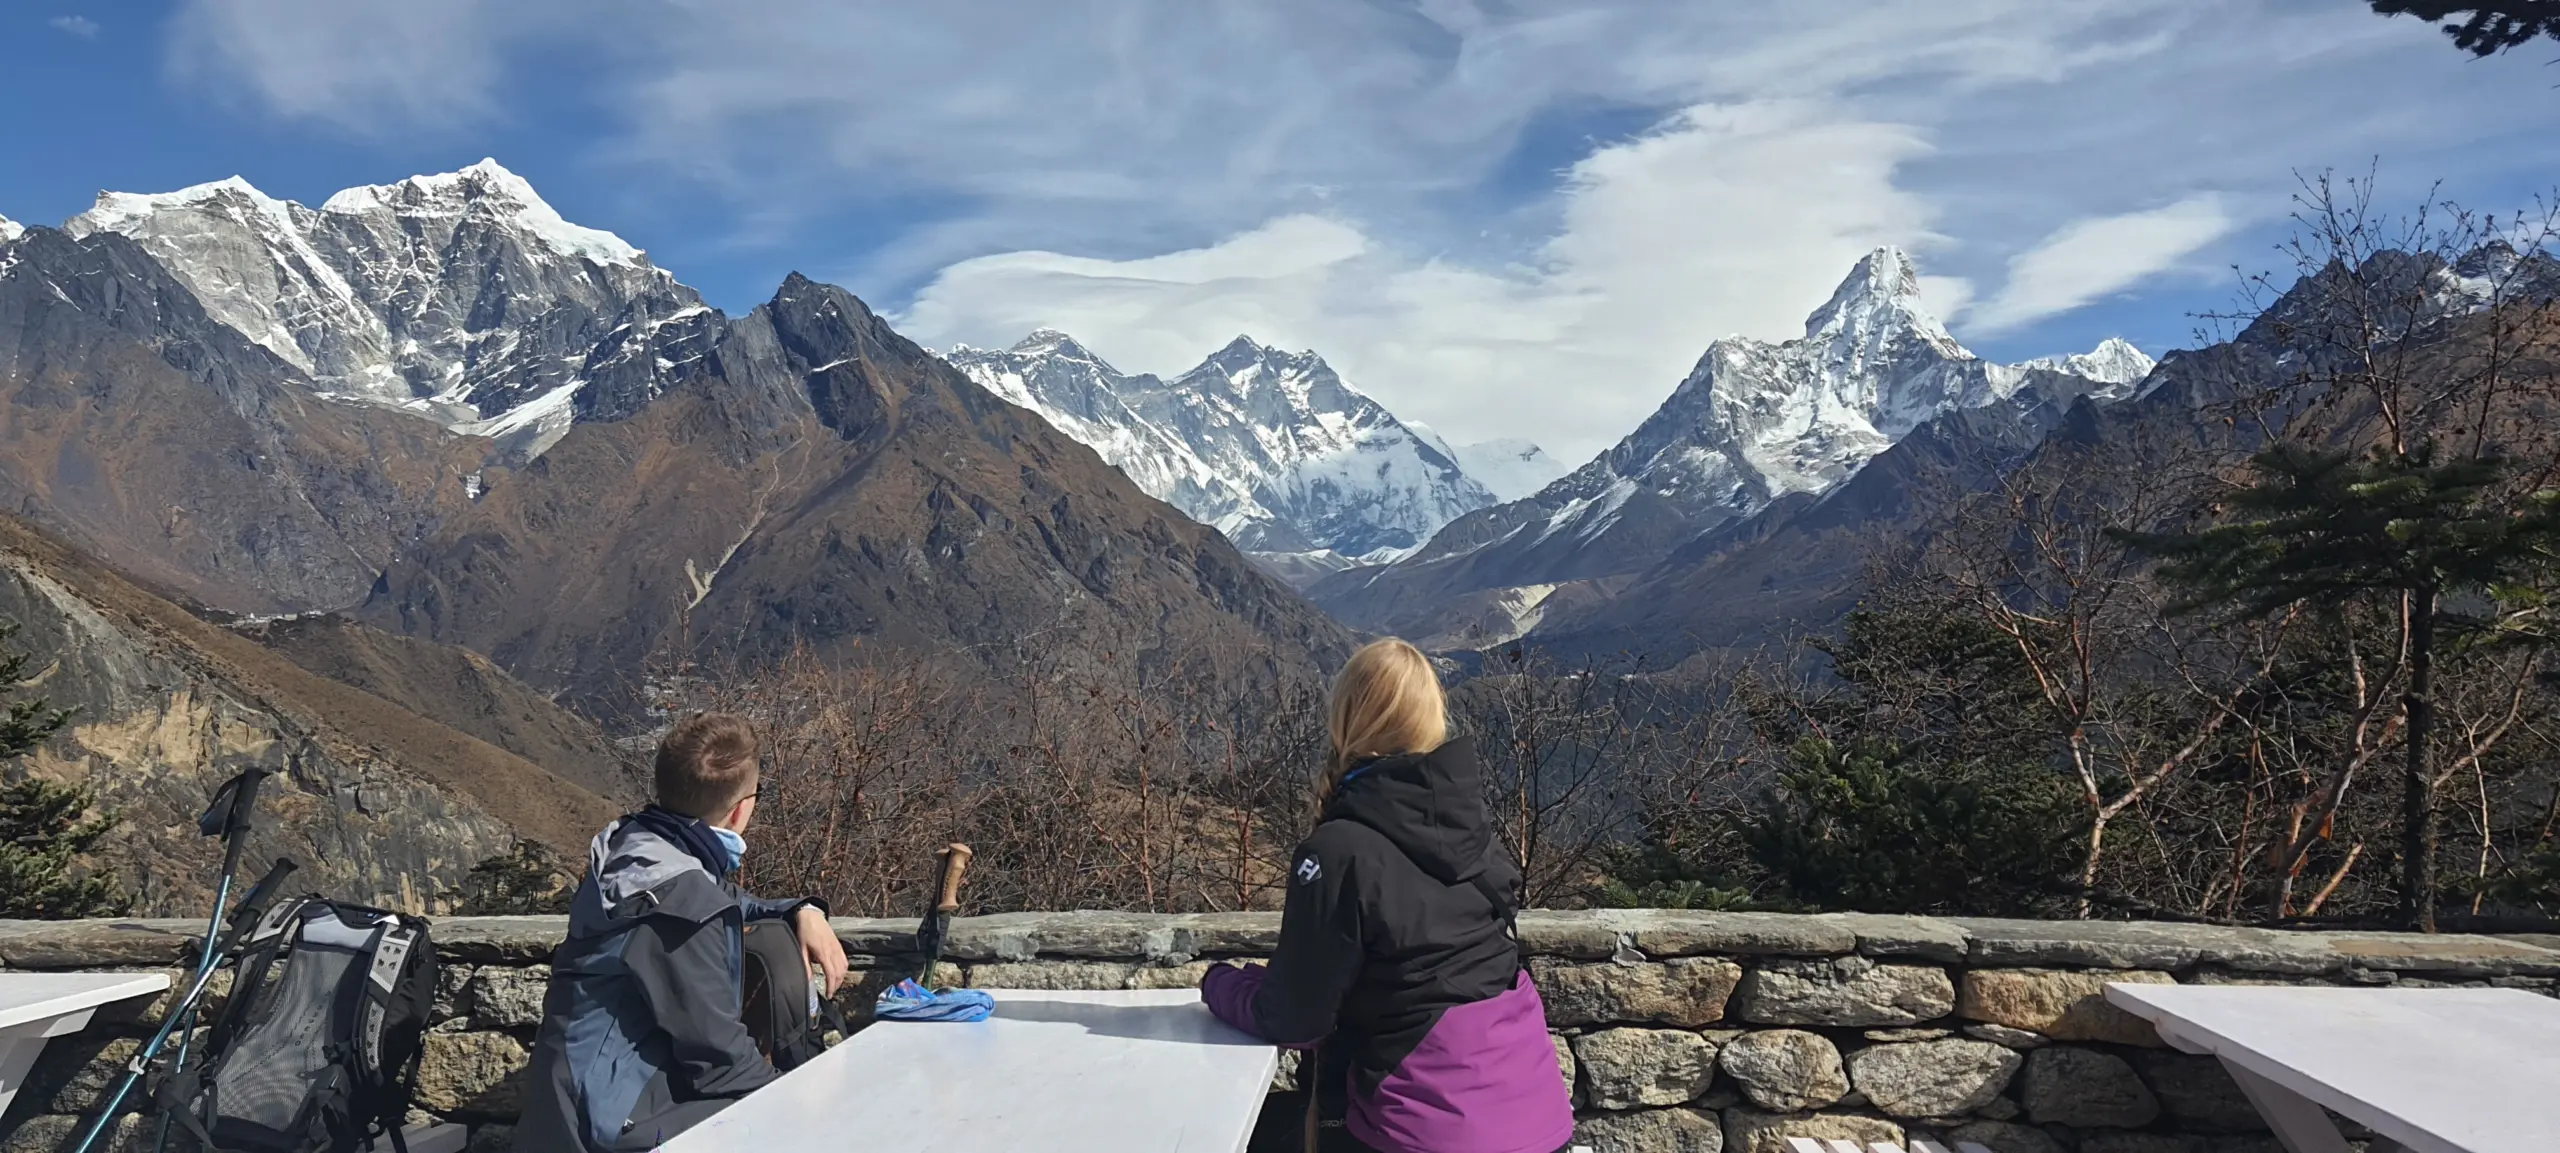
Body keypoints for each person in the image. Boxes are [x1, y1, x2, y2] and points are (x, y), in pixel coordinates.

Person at [1202, 639, 1576, 1153]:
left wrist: (1219, 983)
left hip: (1423, 1132)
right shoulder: (1475, 838)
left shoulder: (1338, 852)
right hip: (1538, 1122)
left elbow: (1294, 1018)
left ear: (1347, 718)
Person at [520, 712, 850, 1152]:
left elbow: (729, 900)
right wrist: (805, 1105)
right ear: (740, 809)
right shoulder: (682, 908)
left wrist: (802, 909)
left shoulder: (636, 847)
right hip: (609, 1122)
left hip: (565, 1097)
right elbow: (721, 1063)